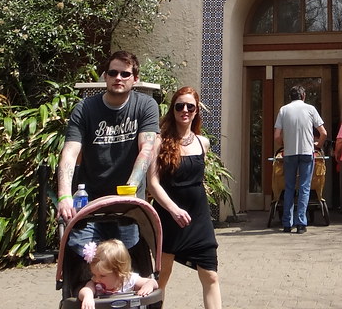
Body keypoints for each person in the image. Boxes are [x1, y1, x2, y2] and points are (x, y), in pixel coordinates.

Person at [57, 51, 160, 254]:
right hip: (90, 203)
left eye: (125, 74)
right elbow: (69, 153)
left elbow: (146, 149)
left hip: (128, 207)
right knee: (83, 256)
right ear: (105, 76)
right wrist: (64, 196)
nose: (118, 78)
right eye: (113, 73)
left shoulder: (145, 106)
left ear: (135, 78)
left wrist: (130, 188)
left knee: (127, 263)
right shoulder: (85, 108)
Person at [147, 87, 222, 309]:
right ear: (173, 110)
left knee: (211, 275)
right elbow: (153, 183)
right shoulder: (160, 142)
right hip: (170, 217)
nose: (185, 110)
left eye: (190, 106)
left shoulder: (202, 142)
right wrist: (173, 209)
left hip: (199, 218)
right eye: (180, 106)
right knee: (162, 275)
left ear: (197, 110)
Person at [273, 85, 327, 233]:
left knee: (289, 187)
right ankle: (301, 223)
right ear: (303, 96)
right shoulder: (310, 109)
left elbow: (277, 136)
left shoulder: (283, 110)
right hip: (306, 152)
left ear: (290, 97)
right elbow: (324, 133)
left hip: (289, 154)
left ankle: (287, 224)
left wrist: (285, 144)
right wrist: (317, 145)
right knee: (304, 187)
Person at [78, 238, 158, 309]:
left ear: (119, 273)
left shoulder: (129, 281)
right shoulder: (95, 285)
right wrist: (88, 296)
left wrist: (148, 286)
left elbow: (152, 282)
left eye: (102, 276)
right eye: (94, 274)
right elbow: (85, 290)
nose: (97, 279)